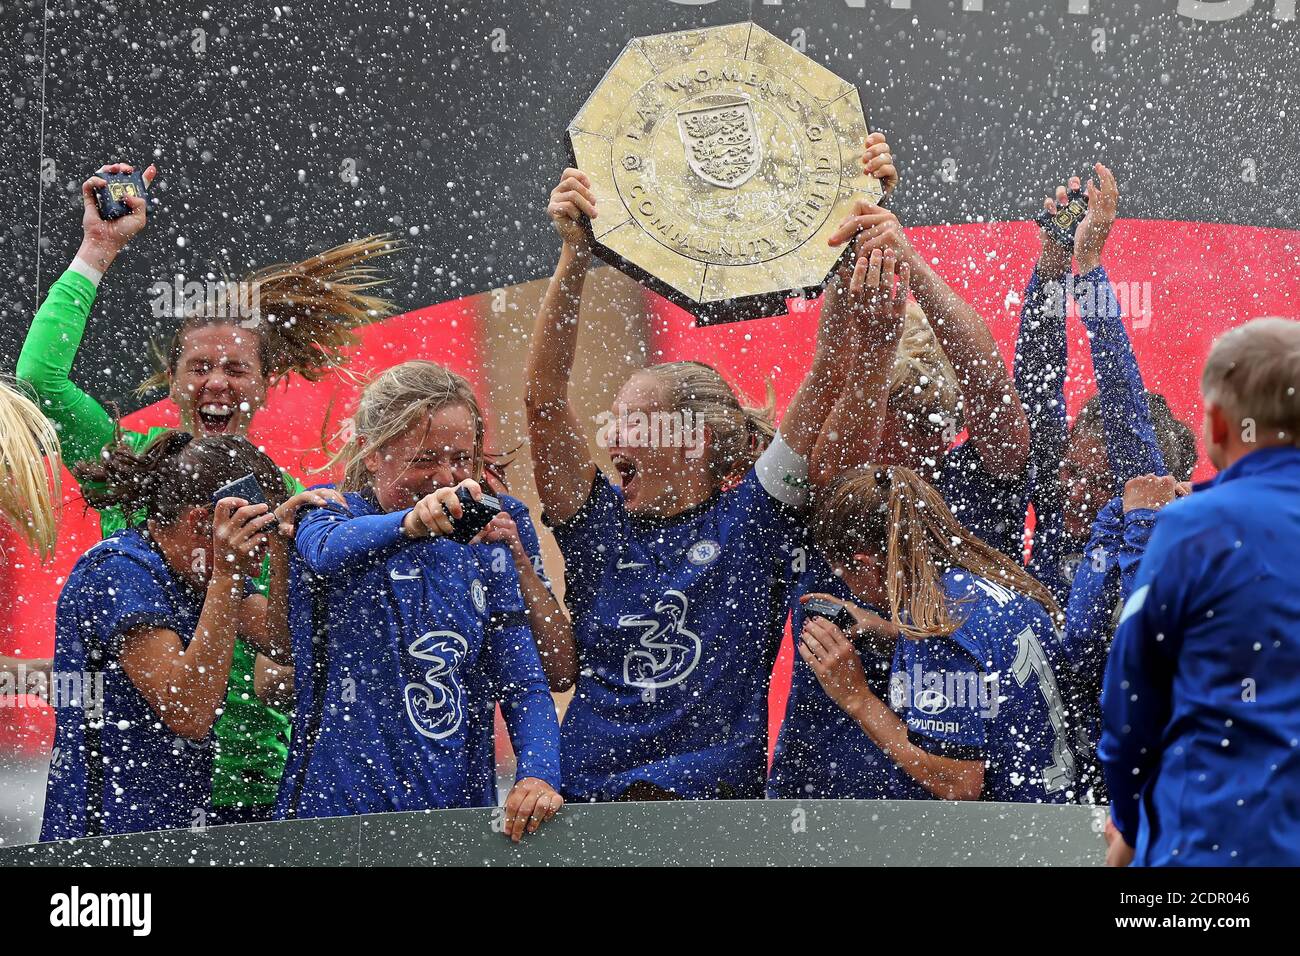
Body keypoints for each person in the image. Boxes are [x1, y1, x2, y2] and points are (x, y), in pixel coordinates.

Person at [17, 161, 396, 824]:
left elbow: (294, 643)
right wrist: (97, 250)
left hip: (256, 787)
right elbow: (40, 379)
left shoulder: (292, 498)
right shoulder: (131, 468)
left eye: (235, 368)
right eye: (199, 366)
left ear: (264, 383)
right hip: (140, 785)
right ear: (172, 381)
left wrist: (286, 673)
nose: (217, 381)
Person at [528, 162, 865, 802]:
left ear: (693, 438)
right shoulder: (597, 525)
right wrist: (575, 255)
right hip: (583, 806)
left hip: (707, 811)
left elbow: (826, 373)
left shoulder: (754, 523)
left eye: (632, 423)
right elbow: (543, 398)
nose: (610, 438)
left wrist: (847, 235)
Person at [279, 366, 563, 840]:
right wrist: (410, 523)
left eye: (462, 458)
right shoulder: (327, 512)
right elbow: (327, 551)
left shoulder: (493, 530)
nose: (447, 477)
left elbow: (523, 681)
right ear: (373, 452)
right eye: (426, 457)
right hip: (336, 815)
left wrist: (538, 772)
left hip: (458, 818)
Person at [1012, 165, 1197, 797]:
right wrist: (1051, 268)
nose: (1066, 486)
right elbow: (1035, 388)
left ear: (1146, 491)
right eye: (1067, 466)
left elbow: (1120, 395)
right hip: (1042, 812)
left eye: (1093, 480)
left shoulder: (1162, 561)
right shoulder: (1062, 530)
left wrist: (1091, 269)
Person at [1101, 317, 1300, 867]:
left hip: (1214, 846)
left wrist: (1136, 825)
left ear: (1215, 424)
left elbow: (1130, 707)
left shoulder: (1196, 528)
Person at [40, 433, 294, 839]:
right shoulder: (120, 570)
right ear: (200, 523)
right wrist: (228, 573)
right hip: (104, 838)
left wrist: (286, 548)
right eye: (257, 538)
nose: (257, 558)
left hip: (169, 829)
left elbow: (283, 643)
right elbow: (188, 712)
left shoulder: (197, 570)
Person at [797, 464, 1076, 803]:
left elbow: (958, 784)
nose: (847, 585)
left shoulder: (934, 629)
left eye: (843, 572)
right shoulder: (983, 585)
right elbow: (983, 670)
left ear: (865, 563)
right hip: (1062, 816)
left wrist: (855, 696)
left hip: (1014, 841)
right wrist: (888, 632)